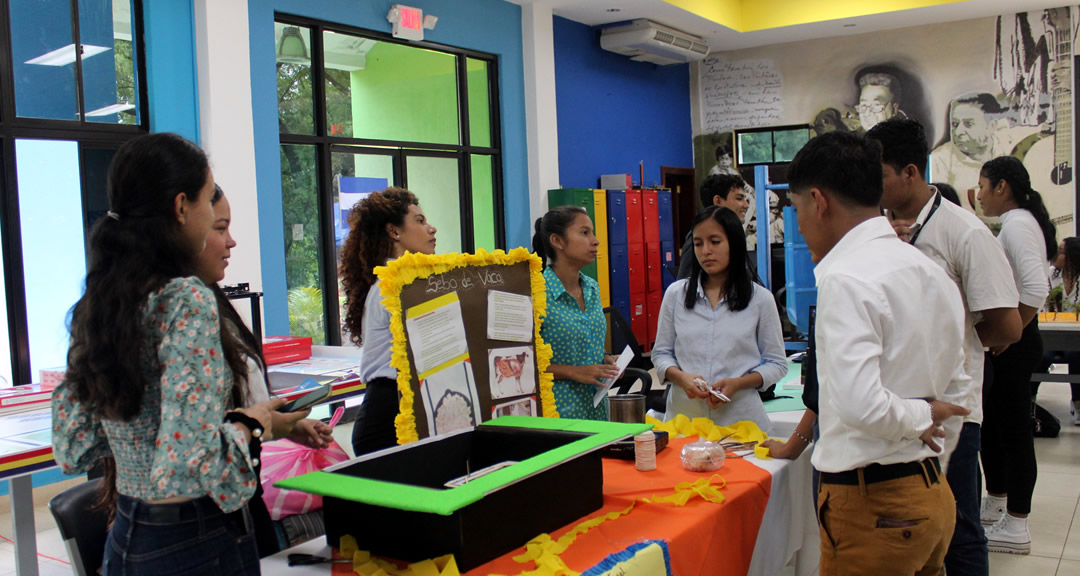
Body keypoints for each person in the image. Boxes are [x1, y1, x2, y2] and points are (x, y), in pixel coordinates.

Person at [52, 133, 280, 576]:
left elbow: (73, 446)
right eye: (210, 205)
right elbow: (186, 466)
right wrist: (250, 424)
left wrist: (136, 442)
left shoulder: (102, 300)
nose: (219, 224)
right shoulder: (184, 299)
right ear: (181, 207)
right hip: (193, 541)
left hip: (127, 536)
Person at [786, 131, 970, 575]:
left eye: (796, 211)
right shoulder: (929, 271)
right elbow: (961, 388)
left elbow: (858, 404)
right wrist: (928, 451)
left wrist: (922, 417)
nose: (800, 225)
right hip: (930, 493)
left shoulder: (847, 278)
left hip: (874, 508)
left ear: (818, 201)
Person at [869, 118, 1021, 576]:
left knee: (958, 529)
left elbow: (1007, 326)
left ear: (910, 173)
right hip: (893, 406)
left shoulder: (964, 232)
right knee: (905, 529)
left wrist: (954, 346)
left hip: (949, 410)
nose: (871, 187)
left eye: (879, 175)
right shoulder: (875, 230)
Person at [196, 184, 334, 555]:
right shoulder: (180, 313)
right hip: (207, 516)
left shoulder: (211, 302)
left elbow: (229, 416)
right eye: (219, 227)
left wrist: (286, 425)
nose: (232, 242)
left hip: (239, 496)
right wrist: (254, 423)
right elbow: (193, 443)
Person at [977, 156, 1057, 554]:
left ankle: (1018, 523)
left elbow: (1036, 287)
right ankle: (998, 501)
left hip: (1018, 342)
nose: (979, 194)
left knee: (1014, 433)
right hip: (1012, 339)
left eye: (983, 185)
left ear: (1001, 187)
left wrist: (1011, 331)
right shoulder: (1016, 223)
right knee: (994, 428)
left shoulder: (1019, 224)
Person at [652, 206, 786, 432]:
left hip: (740, 422)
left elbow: (777, 363)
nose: (706, 251)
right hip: (686, 421)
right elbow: (661, 353)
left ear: (733, 243)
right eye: (698, 243)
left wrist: (738, 383)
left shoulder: (760, 299)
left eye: (715, 242)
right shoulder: (676, 294)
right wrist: (680, 377)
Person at [341, 188, 437, 455]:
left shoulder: (409, 281)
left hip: (407, 404)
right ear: (394, 232)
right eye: (420, 221)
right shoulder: (390, 286)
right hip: (386, 413)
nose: (432, 229)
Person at [534, 205, 617, 420]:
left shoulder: (591, 287)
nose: (595, 240)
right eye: (584, 233)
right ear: (557, 241)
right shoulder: (536, 292)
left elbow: (587, 342)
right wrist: (573, 371)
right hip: (560, 414)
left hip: (598, 410)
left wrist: (606, 359)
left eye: (593, 232)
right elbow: (520, 365)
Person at [929, 93, 1008, 219]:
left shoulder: (1009, 146)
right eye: (955, 124)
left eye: (968, 124)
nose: (958, 132)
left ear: (991, 126)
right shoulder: (941, 158)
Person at [1034, 237, 1080, 426]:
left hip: (1075, 335)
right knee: (1041, 356)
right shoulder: (1049, 275)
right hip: (1050, 333)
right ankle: (1031, 401)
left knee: (1076, 355)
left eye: (1061, 251)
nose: (1056, 254)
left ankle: (1077, 402)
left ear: (1072, 256)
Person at [677, 173, 749, 280]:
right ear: (718, 201)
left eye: (715, 241)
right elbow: (685, 287)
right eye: (739, 198)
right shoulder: (695, 239)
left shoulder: (733, 234)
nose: (746, 205)